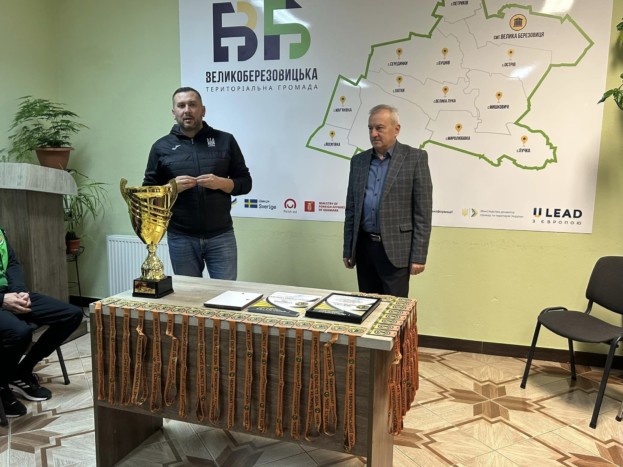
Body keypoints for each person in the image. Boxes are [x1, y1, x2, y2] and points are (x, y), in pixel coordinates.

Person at [143, 87, 252, 280]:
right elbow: (147, 193)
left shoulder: (225, 140)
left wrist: (221, 183)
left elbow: (245, 183)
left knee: (226, 293)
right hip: (181, 237)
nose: (187, 110)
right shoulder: (161, 147)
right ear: (174, 112)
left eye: (192, 105)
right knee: (189, 294)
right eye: (181, 106)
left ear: (203, 110)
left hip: (221, 236)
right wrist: (170, 188)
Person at [343, 104, 433, 298]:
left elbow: (423, 214)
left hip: (396, 251)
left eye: (379, 128)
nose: (373, 134)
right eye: (370, 128)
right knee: (367, 305)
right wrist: (348, 249)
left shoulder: (415, 158)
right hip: (364, 249)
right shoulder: (358, 161)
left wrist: (419, 256)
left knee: (395, 309)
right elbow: (351, 209)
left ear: (396, 129)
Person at [0, 227, 83, 417]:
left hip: (10, 294)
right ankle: (2, 385)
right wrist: (3, 300)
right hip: (2, 299)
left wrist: (20, 292)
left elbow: (12, 263)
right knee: (19, 333)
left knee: (71, 315)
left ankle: (22, 371)